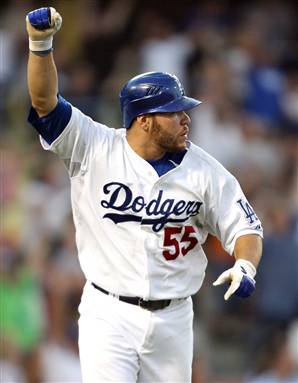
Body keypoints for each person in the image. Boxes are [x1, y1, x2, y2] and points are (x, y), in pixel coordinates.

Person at [25, 7, 263, 382]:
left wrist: (246, 264)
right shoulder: (94, 146)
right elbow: (45, 103)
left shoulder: (204, 170)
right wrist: (41, 44)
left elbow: (246, 227)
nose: (186, 118)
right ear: (144, 119)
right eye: (174, 112)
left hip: (174, 318)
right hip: (109, 313)